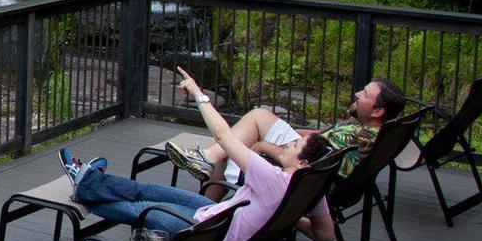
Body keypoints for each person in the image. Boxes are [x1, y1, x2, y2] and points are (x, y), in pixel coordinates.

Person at [65, 67, 331, 241]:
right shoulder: (311, 188)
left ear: (303, 163)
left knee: (143, 209)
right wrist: (290, 216)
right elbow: (326, 234)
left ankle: (84, 190)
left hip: (209, 240)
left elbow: (223, 137)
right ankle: (88, 182)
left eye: (293, 146)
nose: (287, 144)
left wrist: (197, 93)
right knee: (150, 190)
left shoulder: (274, 179)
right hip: (219, 215)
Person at [168, 77, 406, 185]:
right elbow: (319, 137)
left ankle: (206, 161)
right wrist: (289, 131)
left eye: (365, 94)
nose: (357, 93)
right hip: (313, 163)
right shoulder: (370, 131)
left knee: (249, 126)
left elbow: (300, 158)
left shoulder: (355, 138)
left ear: (377, 111)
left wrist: (262, 145)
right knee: (242, 136)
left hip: (304, 174)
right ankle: (208, 167)